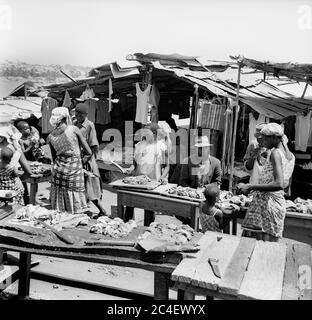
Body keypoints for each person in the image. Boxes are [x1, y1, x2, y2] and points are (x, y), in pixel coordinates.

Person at [237, 123, 295, 242]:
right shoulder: (291, 156)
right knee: (270, 247)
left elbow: (278, 184)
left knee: (254, 245)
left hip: (267, 204)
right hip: (278, 203)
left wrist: (250, 186)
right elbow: (285, 184)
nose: (262, 141)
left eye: (264, 138)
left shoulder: (275, 153)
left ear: (274, 138)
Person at [47, 107, 92, 214]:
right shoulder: (73, 129)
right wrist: (80, 162)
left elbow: (54, 158)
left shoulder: (50, 135)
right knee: (75, 196)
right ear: (66, 117)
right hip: (74, 169)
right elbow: (89, 152)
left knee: (60, 203)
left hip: (58, 171)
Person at [124, 123, 170, 221]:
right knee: (129, 203)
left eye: (146, 131)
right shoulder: (139, 145)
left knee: (148, 209)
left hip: (153, 182)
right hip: (137, 181)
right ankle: (126, 225)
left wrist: (163, 176)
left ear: (154, 133)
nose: (143, 132)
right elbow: (134, 164)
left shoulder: (161, 146)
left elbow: (167, 166)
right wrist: (130, 169)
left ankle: (147, 228)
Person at [74, 103, 107, 217]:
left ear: (86, 114)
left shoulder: (89, 125)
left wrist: (84, 160)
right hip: (77, 159)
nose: (78, 116)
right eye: (76, 114)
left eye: (80, 115)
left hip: (86, 160)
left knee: (90, 188)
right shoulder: (74, 124)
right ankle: (82, 210)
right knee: (79, 188)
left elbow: (94, 146)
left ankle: (102, 210)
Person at [0, 121, 33, 205]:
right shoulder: (16, 149)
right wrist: (17, 179)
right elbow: (28, 172)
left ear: (2, 137)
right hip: (15, 189)